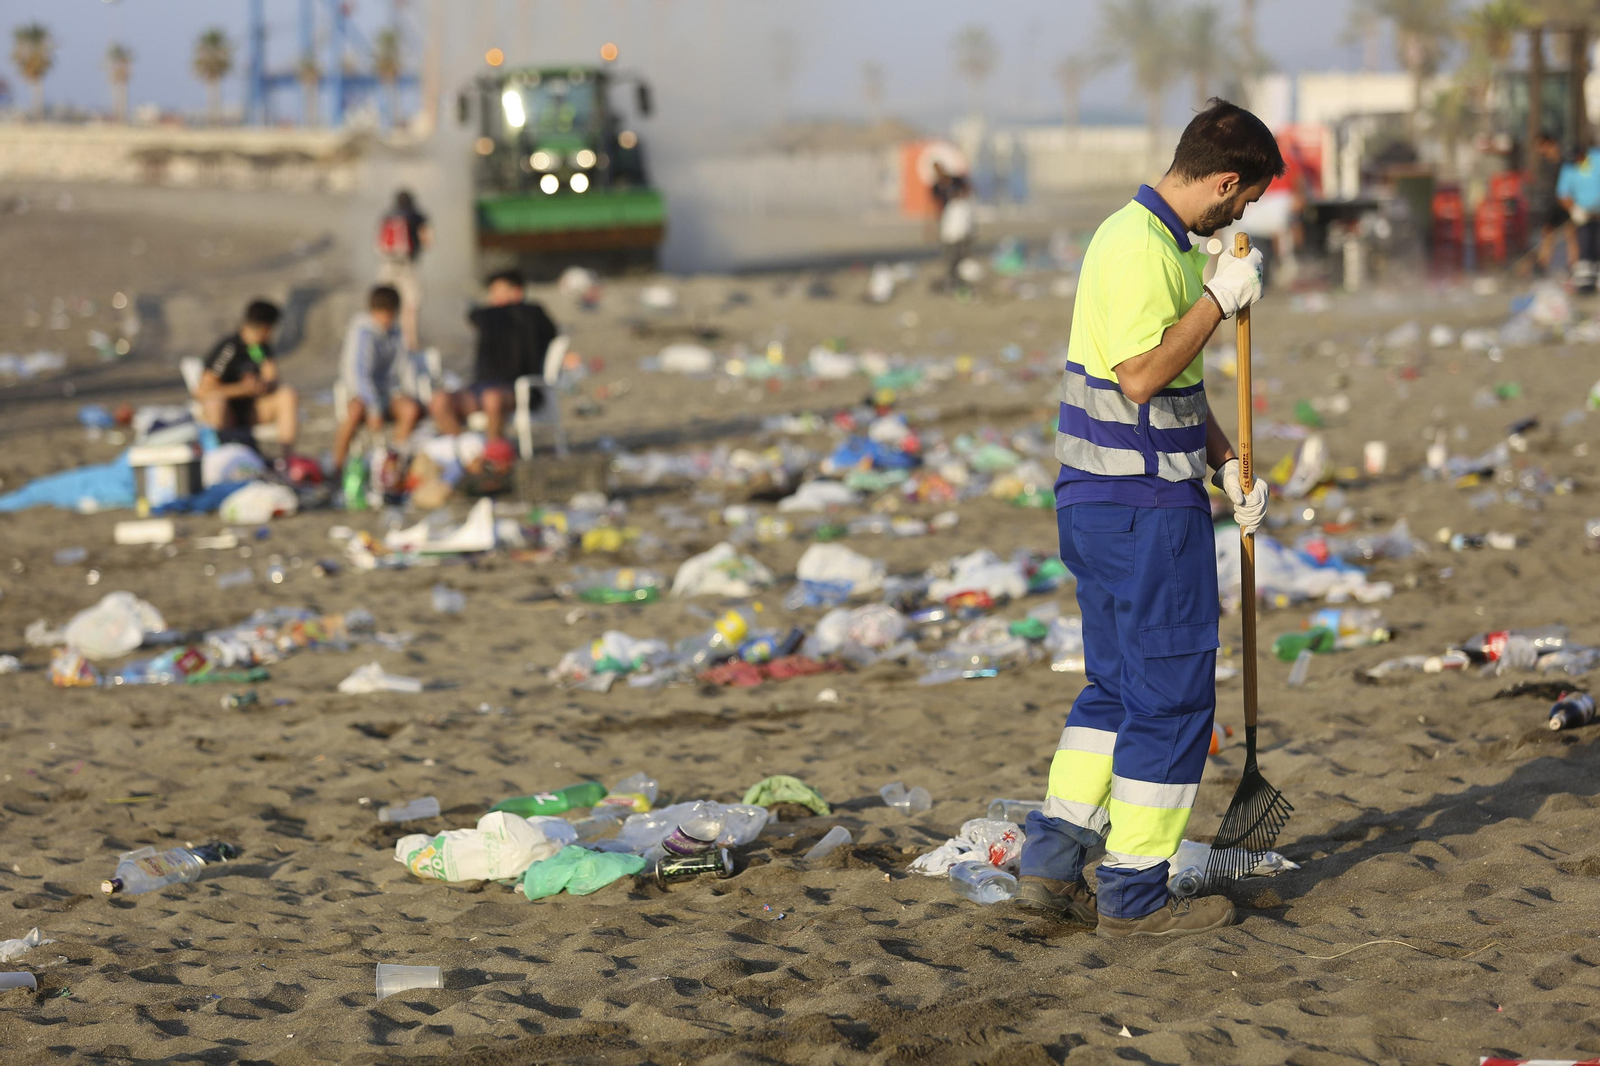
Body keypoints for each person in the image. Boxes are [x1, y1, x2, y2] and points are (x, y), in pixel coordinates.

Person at [1014, 98, 1279, 939]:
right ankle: (1133, 894)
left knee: (1117, 688)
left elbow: (1172, 386)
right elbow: (1138, 375)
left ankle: (1052, 864)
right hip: (1139, 508)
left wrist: (1226, 457)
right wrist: (1218, 301)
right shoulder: (1139, 247)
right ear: (1226, 181)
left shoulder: (1147, 240)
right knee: (1170, 698)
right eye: (1245, 200)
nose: (1241, 216)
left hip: (1104, 501)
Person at [430, 269, 559, 442]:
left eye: (498, 291)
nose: (493, 296)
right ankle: (466, 451)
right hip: (481, 385)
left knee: (493, 398)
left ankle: (494, 452)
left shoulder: (532, 314)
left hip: (516, 387)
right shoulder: (488, 317)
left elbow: (549, 331)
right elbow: (474, 316)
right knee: (440, 400)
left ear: (516, 291)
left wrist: (506, 306)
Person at [332, 285, 423, 472]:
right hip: (361, 394)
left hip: (389, 393)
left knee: (410, 410)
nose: (386, 319)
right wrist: (374, 409)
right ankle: (337, 465)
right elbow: (359, 374)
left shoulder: (396, 332)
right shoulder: (363, 332)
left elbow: (403, 368)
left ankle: (392, 466)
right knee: (355, 411)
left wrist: (410, 395)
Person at [197, 299, 298, 456]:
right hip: (227, 412)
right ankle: (219, 460)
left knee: (287, 395)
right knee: (215, 403)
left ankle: (287, 460)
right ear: (266, 328)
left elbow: (272, 377)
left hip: (252, 410)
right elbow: (203, 391)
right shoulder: (229, 348)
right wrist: (241, 389)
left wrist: (262, 384)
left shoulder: (259, 348)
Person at [376, 189, 431, 350]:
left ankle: (382, 340)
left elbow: (378, 243)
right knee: (411, 306)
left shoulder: (387, 215)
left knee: (384, 303)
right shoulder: (418, 216)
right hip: (408, 266)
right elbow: (428, 241)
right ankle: (410, 343)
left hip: (386, 266)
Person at [1556, 143, 1600, 292]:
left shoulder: (1596, 158)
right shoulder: (1568, 168)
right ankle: (1586, 282)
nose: (1575, 161)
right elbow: (1563, 193)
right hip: (1584, 214)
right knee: (1585, 245)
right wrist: (1575, 209)